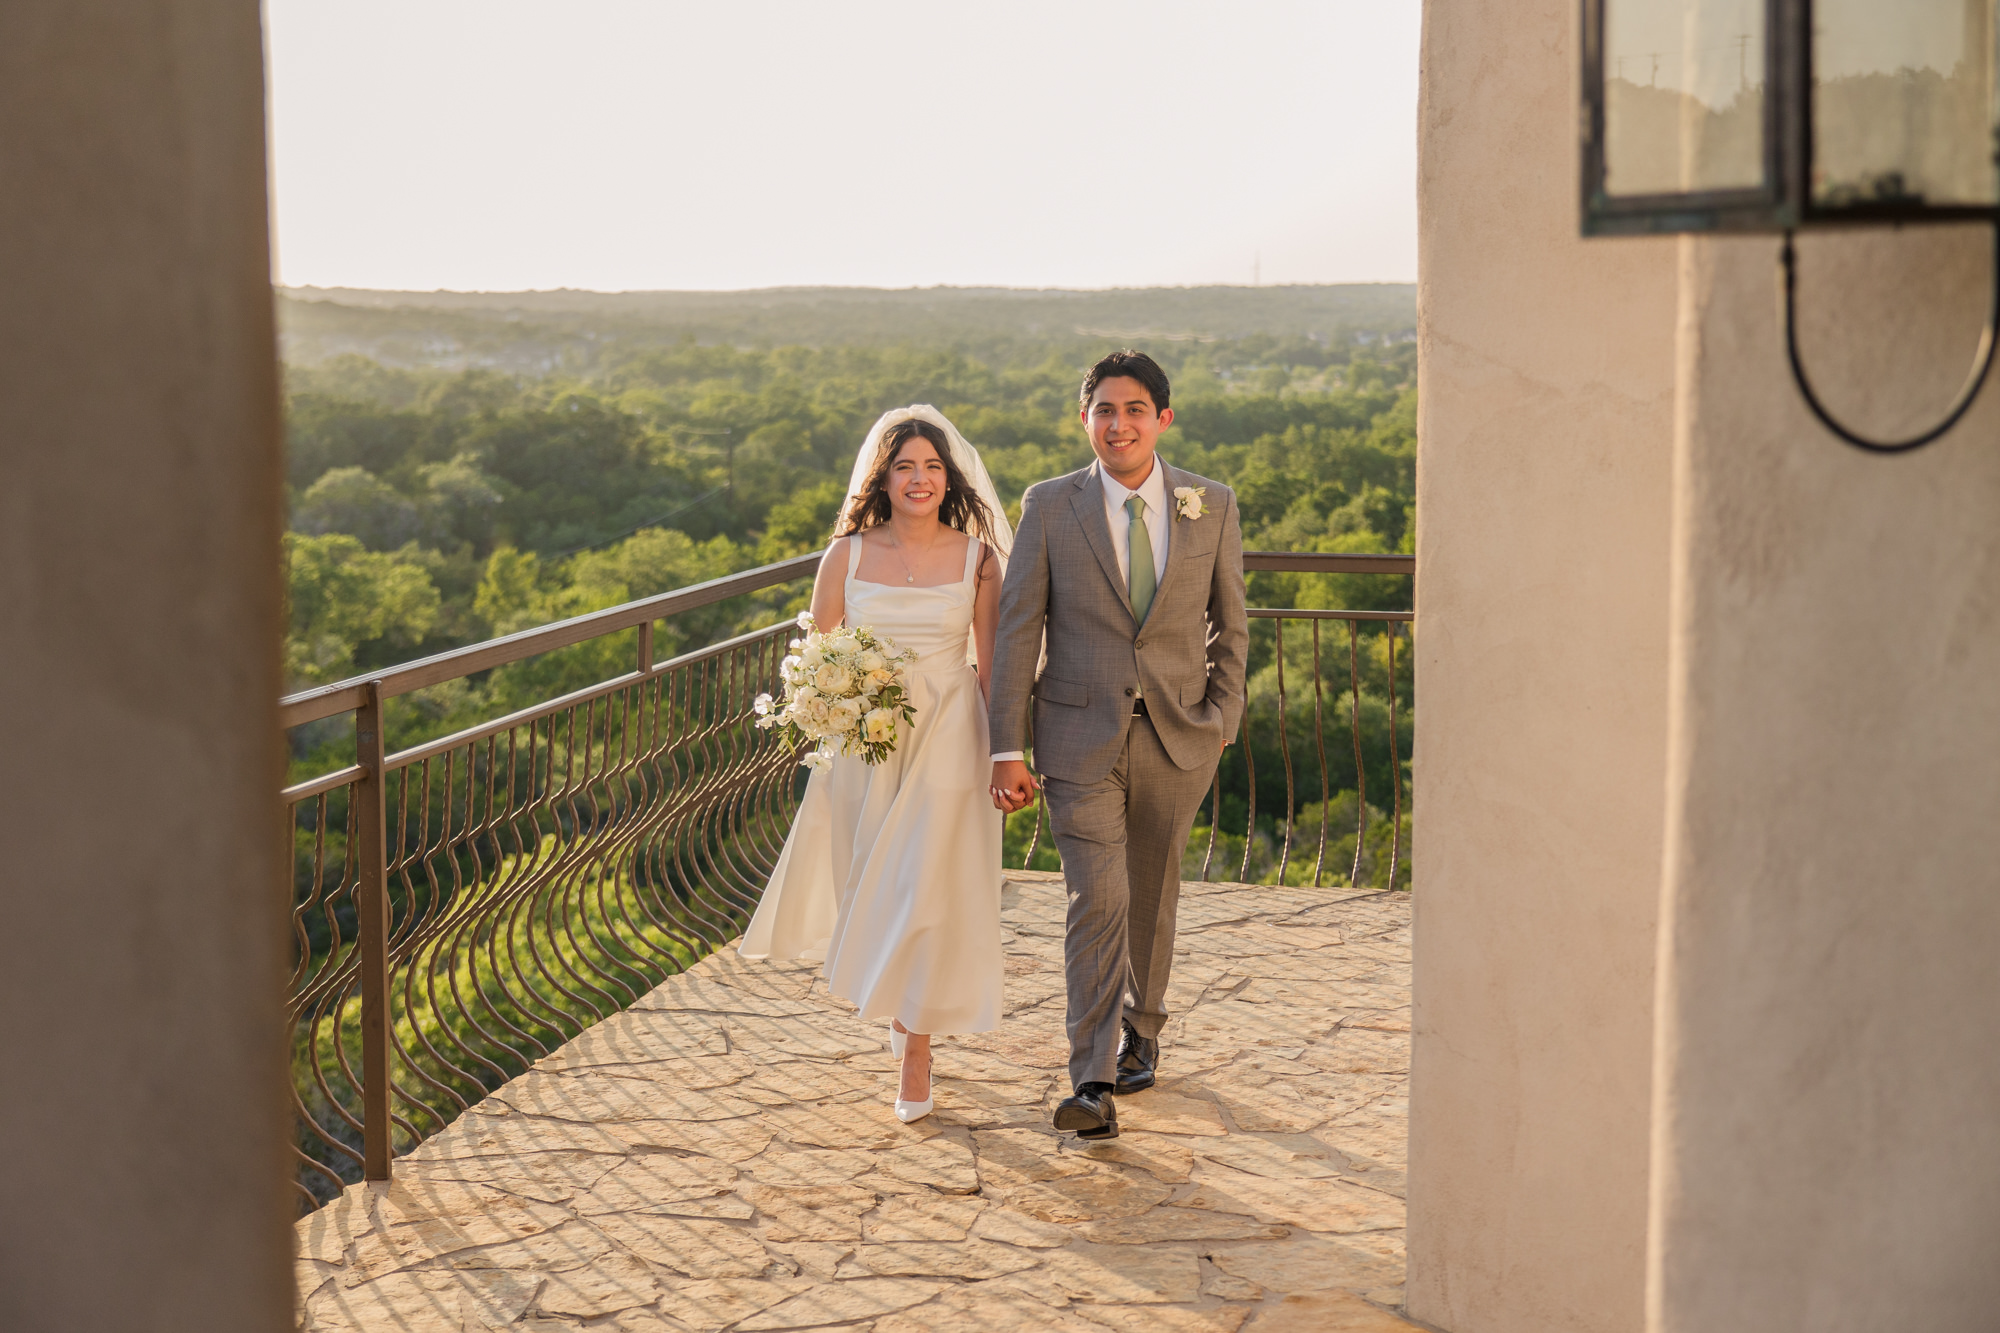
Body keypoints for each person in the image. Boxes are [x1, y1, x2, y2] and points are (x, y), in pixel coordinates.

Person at [986, 350, 1248, 1140]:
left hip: (1179, 736)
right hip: (1076, 736)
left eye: (1134, 409)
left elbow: (1230, 626)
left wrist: (1220, 719)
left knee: (1153, 892)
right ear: (1085, 419)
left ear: (1162, 418)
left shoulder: (1212, 503)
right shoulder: (1050, 505)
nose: (1119, 423)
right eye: (1104, 409)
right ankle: (1091, 1078)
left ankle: (1146, 1027)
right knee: (1095, 899)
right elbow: (1016, 627)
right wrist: (1006, 744)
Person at [739, 405, 1010, 1124]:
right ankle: (902, 1003)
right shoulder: (848, 556)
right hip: (869, 739)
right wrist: (837, 705)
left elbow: (994, 669)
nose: (919, 479)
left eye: (931, 467)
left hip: (951, 734)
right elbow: (817, 656)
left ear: (948, 478)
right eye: (904, 467)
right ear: (882, 479)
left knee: (926, 885)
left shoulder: (980, 559)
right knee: (878, 881)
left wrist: (1010, 752)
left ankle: (917, 1044)